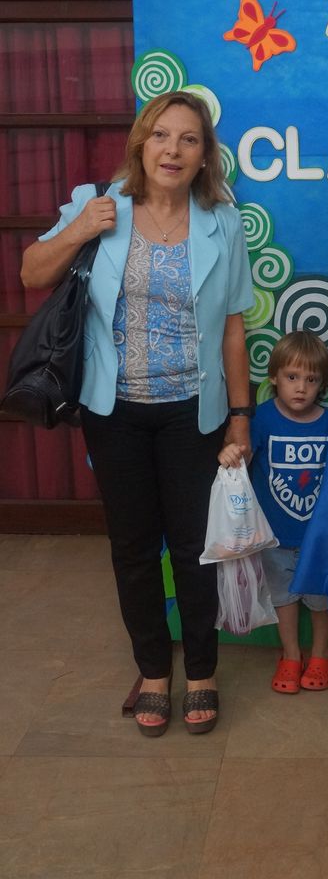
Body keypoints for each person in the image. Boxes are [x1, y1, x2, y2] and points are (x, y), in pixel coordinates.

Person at [21, 91, 254, 737]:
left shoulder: (222, 222)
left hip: (193, 413)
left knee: (195, 549)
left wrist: (240, 417)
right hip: (114, 411)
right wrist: (79, 229)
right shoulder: (99, 204)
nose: (172, 150)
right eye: (160, 135)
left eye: (188, 139)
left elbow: (233, 328)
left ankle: (201, 672)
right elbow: (32, 272)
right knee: (132, 548)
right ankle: (153, 671)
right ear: (140, 143)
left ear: (204, 155)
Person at [220, 331, 328, 694]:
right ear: (274, 377)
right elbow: (239, 460)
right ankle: (291, 655)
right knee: (283, 599)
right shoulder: (262, 419)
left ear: (322, 384)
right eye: (292, 377)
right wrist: (228, 453)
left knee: (321, 600)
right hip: (274, 535)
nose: (301, 387)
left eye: (311, 379)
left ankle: (321, 653)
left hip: (319, 539)